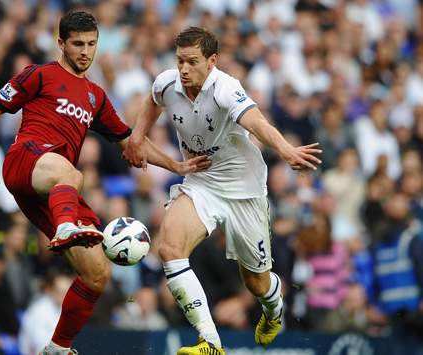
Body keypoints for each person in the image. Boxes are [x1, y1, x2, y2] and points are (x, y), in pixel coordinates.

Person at [0, 11, 210, 355]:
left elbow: (129, 141)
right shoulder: (38, 75)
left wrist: (175, 164)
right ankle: (65, 226)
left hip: (50, 191)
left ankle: (57, 347)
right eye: (77, 43)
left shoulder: (95, 96)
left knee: (97, 274)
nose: (85, 51)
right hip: (26, 161)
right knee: (73, 173)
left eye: (91, 44)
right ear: (60, 43)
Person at [124, 27, 322, 354]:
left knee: (256, 282)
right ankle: (210, 342)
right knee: (170, 248)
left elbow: (256, 121)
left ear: (212, 61)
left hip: (244, 189)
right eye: (179, 61)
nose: (184, 69)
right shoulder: (167, 82)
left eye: (192, 62)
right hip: (202, 181)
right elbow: (153, 100)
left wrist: (286, 149)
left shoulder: (226, 89)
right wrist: (137, 135)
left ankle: (273, 311)